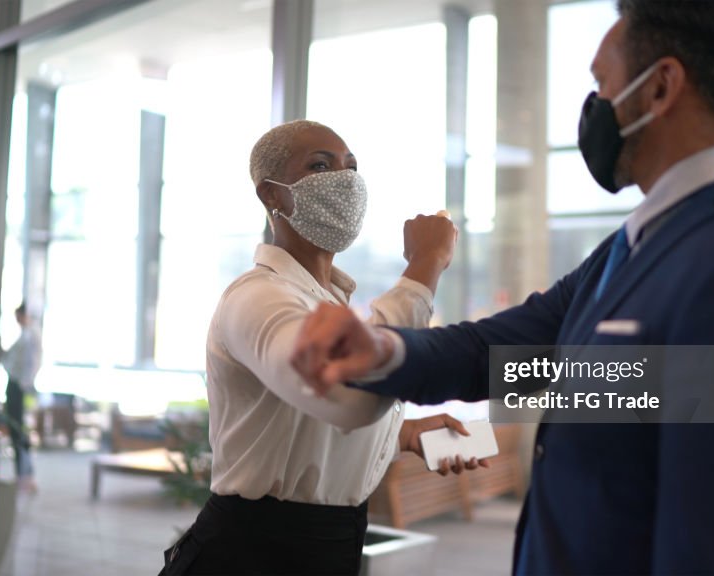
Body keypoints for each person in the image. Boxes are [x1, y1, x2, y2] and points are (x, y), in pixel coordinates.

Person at [291, 1, 714, 574]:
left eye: (602, 82)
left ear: (660, 89)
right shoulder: (636, 244)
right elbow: (508, 353)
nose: (594, 106)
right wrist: (382, 349)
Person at [159, 120, 487, 576]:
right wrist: (425, 264)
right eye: (320, 165)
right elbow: (349, 396)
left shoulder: (326, 302)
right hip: (252, 553)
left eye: (351, 167)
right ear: (271, 195)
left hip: (326, 545)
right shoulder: (258, 296)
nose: (345, 179)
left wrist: (404, 436)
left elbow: (302, 426)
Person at [1, 301, 43, 492]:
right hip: (17, 385)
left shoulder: (31, 335)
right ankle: (23, 473)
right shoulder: (26, 334)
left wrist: (24, 384)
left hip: (19, 387)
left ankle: (25, 474)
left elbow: (32, 363)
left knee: (19, 430)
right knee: (17, 430)